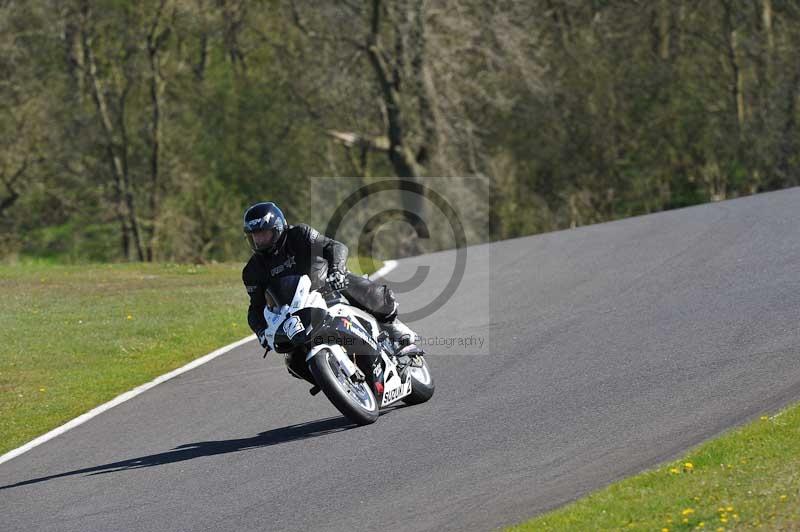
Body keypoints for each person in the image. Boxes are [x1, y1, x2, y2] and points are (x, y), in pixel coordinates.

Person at [241, 202, 418, 361]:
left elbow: (334, 247)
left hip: (327, 286)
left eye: (264, 234)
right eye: (255, 236)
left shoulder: (300, 234)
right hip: (295, 311)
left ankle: (395, 329)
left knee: (352, 285)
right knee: (292, 358)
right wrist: (261, 332)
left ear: (278, 228)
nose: (259, 241)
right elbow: (255, 308)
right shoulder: (252, 270)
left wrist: (336, 270)